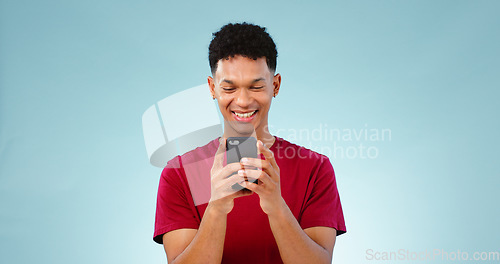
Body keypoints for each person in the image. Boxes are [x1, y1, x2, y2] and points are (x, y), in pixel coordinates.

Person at [153, 22, 346, 264]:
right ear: (213, 88)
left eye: (256, 87)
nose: (243, 101)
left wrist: (276, 206)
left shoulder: (315, 168)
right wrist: (215, 209)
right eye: (229, 88)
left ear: (275, 86)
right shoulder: (179, 173)